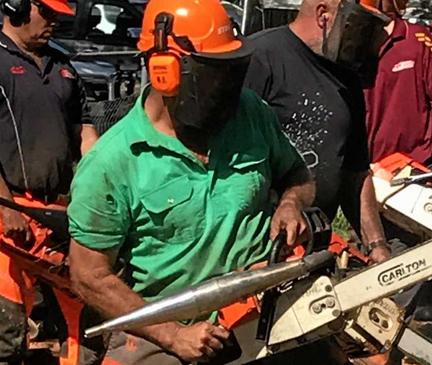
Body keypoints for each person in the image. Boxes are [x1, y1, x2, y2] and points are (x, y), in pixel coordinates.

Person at [67, 0, 314, 363]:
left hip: (261, 304)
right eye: (215, 75)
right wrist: (172, 335)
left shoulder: (250, 113)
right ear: (165, 70)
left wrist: (291, 203)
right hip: (165, 323)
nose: (227, 89)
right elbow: (89, 276)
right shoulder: (113, 162)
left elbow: (298, 174)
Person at [243, 0, 392, 265]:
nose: (363, 37)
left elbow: (355, 173)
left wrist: (377, 246)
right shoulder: (260, 58)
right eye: (358, 25)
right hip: (258, 248)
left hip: (314, 241)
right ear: (323, 14)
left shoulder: (347, 79)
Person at [0, 0, 98, 362]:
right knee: (7, 322)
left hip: (58, 209)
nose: (55, 22)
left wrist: (100, 180)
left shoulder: (63, 66)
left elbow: (84, 130)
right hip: (10, 210)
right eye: (49, 13)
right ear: (18, 7)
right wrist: (7, 207)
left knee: (82, 313)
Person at [360, 0, 432, 324]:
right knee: (386, 258)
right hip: (372, 173)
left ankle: (417, 316)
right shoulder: (350, 49)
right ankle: (387, 332)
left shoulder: (417, 40)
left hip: (420, 166)